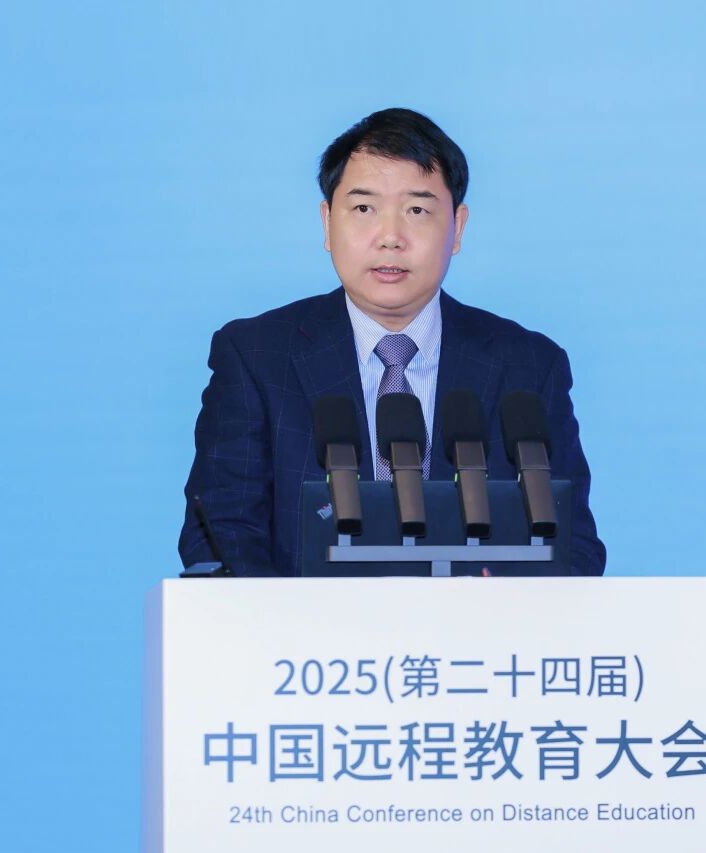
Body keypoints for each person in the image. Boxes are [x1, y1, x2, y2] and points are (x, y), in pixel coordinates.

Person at [178, 108, 605, 576]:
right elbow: (221, 535)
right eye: (364, 209)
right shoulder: (257, 357)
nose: (390, 238)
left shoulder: (528, 366)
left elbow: (574, 549)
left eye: (417, 211)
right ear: (327, 222)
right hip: (304, 625)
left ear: (458, 228)